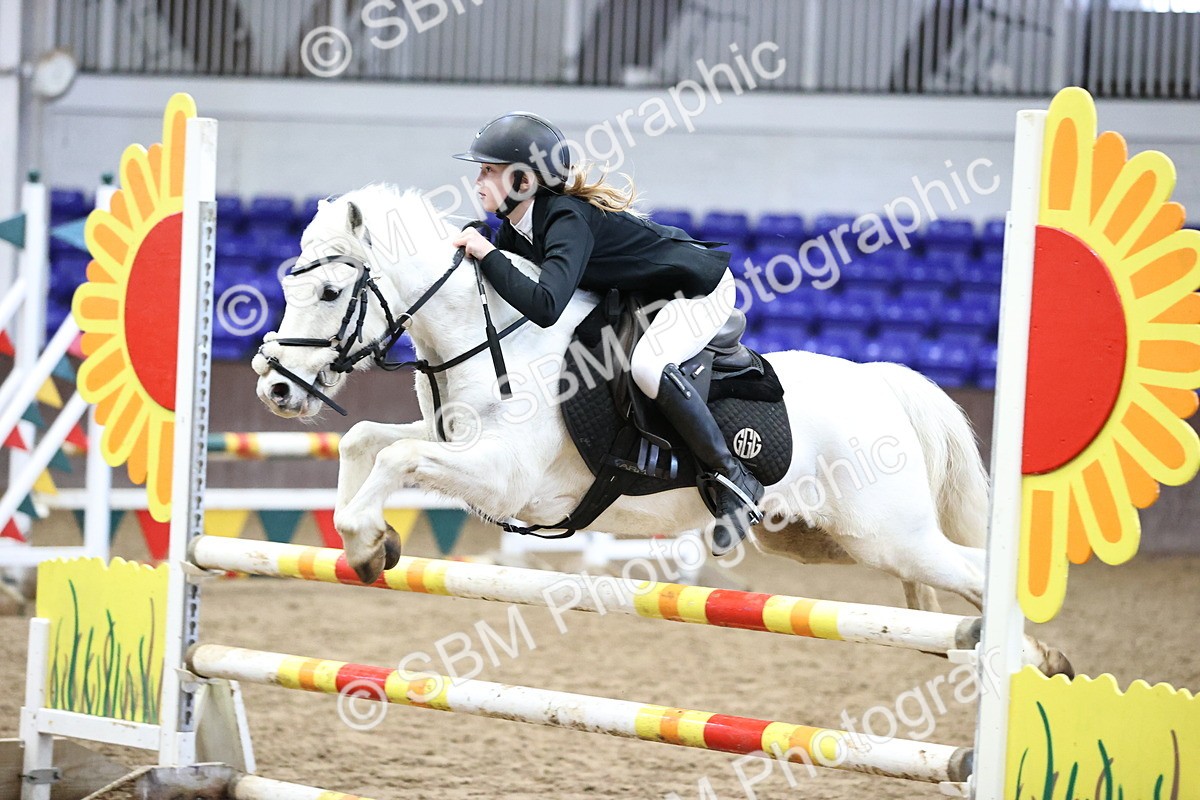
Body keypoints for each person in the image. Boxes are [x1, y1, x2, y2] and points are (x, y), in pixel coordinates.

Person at [451, 111, 762, 555]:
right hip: (647, 296)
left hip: (698, 289)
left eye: (488, 170)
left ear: (523, 181)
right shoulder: (519, 227)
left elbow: (545, 306)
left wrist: (486, 251)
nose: (478, 180)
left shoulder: (565, 218)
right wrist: (481, 243)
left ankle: (733, 481)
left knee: (648, 366)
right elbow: (512, 276)